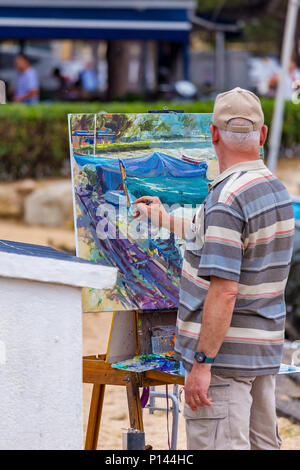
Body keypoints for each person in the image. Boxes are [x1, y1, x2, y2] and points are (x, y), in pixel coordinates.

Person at [133, 87, 295, 450]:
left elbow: (225, 289)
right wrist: (165, 219)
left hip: (222, 364)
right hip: (260, 357)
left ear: (214, 134)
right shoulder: (274, 190)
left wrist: (202, 362)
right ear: (263, 134)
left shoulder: (226, 199)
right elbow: (227, 238)